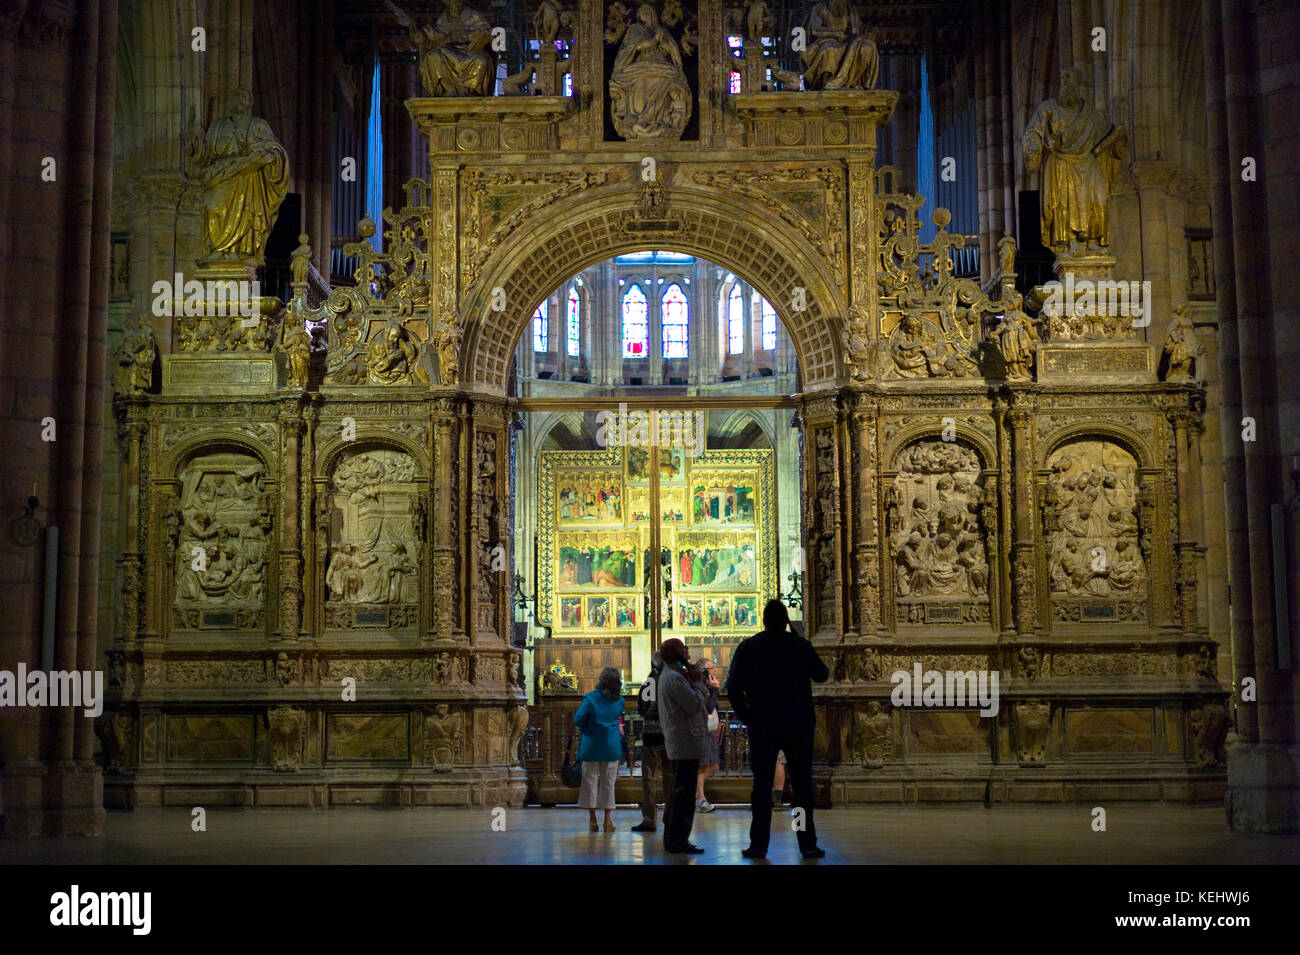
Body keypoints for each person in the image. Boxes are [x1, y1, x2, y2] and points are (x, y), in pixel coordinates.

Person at [727, 599, 830, 859]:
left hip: (763, 724)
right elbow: (822, 674)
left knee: (761, 788)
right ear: (786, 621)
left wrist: (748, 717)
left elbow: (733, 687)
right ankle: (806, 843)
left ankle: (759, 844)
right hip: (798, 724)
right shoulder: (799, 646)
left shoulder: (749, 647)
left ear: (763, 620)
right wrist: (798, 638)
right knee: (802, 789)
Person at [657, 638, 712, 854]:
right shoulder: (675, 678)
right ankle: (677, 841)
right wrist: (699, 684)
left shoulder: (672, 674)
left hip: (682, 741)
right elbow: (694, 705)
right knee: (684, 795)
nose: (687, 650)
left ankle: (673, 839)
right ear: (675, 653)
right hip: (685, 742)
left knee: (679, 792)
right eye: (682, 648)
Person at [574, 666, 625, 833]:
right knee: (608, 783)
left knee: (590, 782)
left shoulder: (589, 698)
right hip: (611, 747)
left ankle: (592, 820)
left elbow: (578, 720)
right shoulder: (620, 701)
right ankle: (608, 820)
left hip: (591, 747)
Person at [631, 653, 674, 833]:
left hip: (651, 734)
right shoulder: (673, 681)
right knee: (670, 777)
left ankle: (649, 819)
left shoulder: (650, 681)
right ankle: (670, 817)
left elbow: (641, 706)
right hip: (670, 734)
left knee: (649, 778)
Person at [695, 657, 722, 813]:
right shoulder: (699, 687)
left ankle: (693, 793)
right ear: (704, 671)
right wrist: (714, 690)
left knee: (714, 765)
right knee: (702, 766)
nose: (714, 671)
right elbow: (708, 708)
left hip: (709, 730)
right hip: (701, 731)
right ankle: (701, 799)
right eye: (711, 668)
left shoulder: (706, 686)